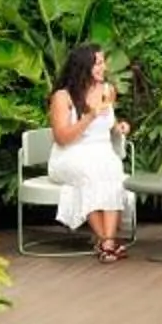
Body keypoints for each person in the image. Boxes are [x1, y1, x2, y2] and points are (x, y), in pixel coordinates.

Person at [44, 43, 131, 263]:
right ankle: (107, 242)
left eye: (103, 62)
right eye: (98, 63)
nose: (104, 67)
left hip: (101, 152)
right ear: (84, 67)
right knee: (90, 174)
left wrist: (119, 127)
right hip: (69, 155)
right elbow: (62, 138)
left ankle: (106, 243)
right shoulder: (63, 97)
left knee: (113, 171)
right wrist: (89, 116)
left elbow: (108, 123)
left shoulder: (107, 90)